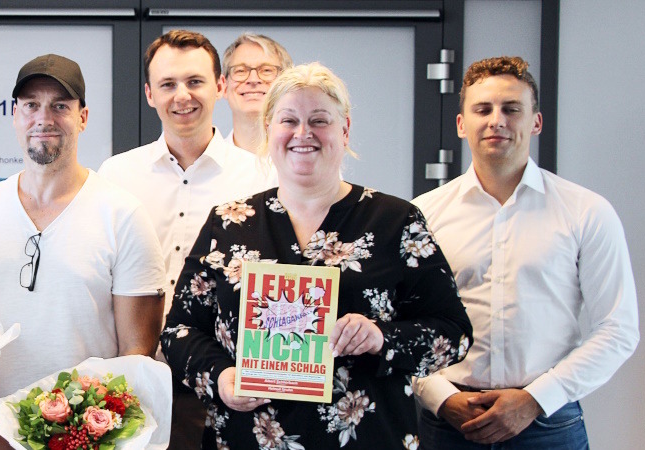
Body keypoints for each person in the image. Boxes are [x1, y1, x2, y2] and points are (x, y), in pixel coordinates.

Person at [160, 63, 472, 450]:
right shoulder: (228, 223)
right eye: (288, 120)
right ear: (269, 129)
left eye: (319, 120)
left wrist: (380, 336)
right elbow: (179, 331)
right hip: (246, 438)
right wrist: (221, 376)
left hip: (369, 438)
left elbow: (453, 334)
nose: (303, 133)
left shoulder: (396, 221)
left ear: (344, 130)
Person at [0, 54, 167, 449]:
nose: (44, 118)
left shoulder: (122, 215)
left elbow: (136, 352)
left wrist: (95, 434)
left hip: (89, 440)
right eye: (31, 105)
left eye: (60, 106)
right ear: (15, 115)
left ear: (83, 117)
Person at [411, 56, 639, 449]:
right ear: (462, 125)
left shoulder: (586, 211)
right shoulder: (423, 215)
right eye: (483, 109)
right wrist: (440, 396)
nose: (496, 120)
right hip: (448, 422)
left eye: (511, 109)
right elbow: (399, 322)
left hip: (549, 423)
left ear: (536, 121)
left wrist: (535, 399)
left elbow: (618, 328)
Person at [98, 29, 277, 449]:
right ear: (148, 93)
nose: (183, 96)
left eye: (195, 81)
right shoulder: (116, 177)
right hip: (135, 382)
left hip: (227, 383)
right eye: (168, 84)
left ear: (220, 86)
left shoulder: (262, 178)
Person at [220, 33, 293, 154]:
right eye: (240, 71)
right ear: (223, 86)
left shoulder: (309, 163)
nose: (253, 80)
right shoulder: (204, 167)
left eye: (266, 70)